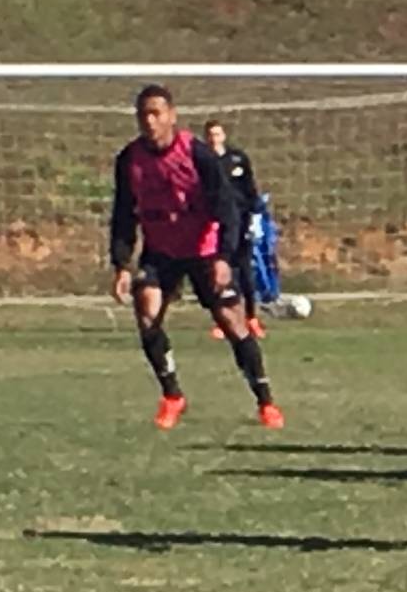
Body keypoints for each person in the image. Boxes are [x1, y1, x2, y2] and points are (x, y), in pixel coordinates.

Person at [111, 85, 282, 430]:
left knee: (232, 323)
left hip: (205, 250)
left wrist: (223, 257)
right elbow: (123, 214)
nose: (149, 120)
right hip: (161, 251)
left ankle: (265, 401)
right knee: (146, 312)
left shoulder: (197, 154)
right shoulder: (129, 160)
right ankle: (172, 396)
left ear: (172, 116)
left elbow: (227, 208)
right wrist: (121, 264)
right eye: (143, 114)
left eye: (156, 113)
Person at [202, 119, 268, 338]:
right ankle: (224, 321)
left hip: (241, 221)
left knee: (246, 272)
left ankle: (251, 318)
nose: (214, 138)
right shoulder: (202, 161)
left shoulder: (237, 158)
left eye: (217, 134)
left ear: (224, 135)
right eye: (210, 134)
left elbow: (250, 189)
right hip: (216, 223)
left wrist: (255, 217)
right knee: (221, 273)